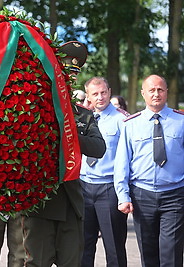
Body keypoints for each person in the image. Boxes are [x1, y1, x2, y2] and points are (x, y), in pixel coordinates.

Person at [22, 41, 106, 266]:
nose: (69, 79)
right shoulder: (36, 108)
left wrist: (69, 135)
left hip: (71, 203)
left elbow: (99, 148)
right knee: (36, 263)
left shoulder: (83, 114)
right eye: (64, 73)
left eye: (73, 75)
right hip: (40, 202)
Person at [114, 74, 184, 267]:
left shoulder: (181, 122)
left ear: (167, 92)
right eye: (151, 90)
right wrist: (123, 196)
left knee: (171, 252)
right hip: (142, 195)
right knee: (148, 252)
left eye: (160, 90)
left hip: (174, 194)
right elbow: (122, 162)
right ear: (143, 93)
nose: (156, 94)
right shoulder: (130, 124)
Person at [80, 77, 129, 267]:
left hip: (108, 189)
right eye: (95, 94)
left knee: (114, 248)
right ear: (89, 97)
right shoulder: (82, 118)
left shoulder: (122, 120)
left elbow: (127, 158)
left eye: (103, 92)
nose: (100, 97)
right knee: (83, 246)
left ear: (109, 91)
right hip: (83, 187)